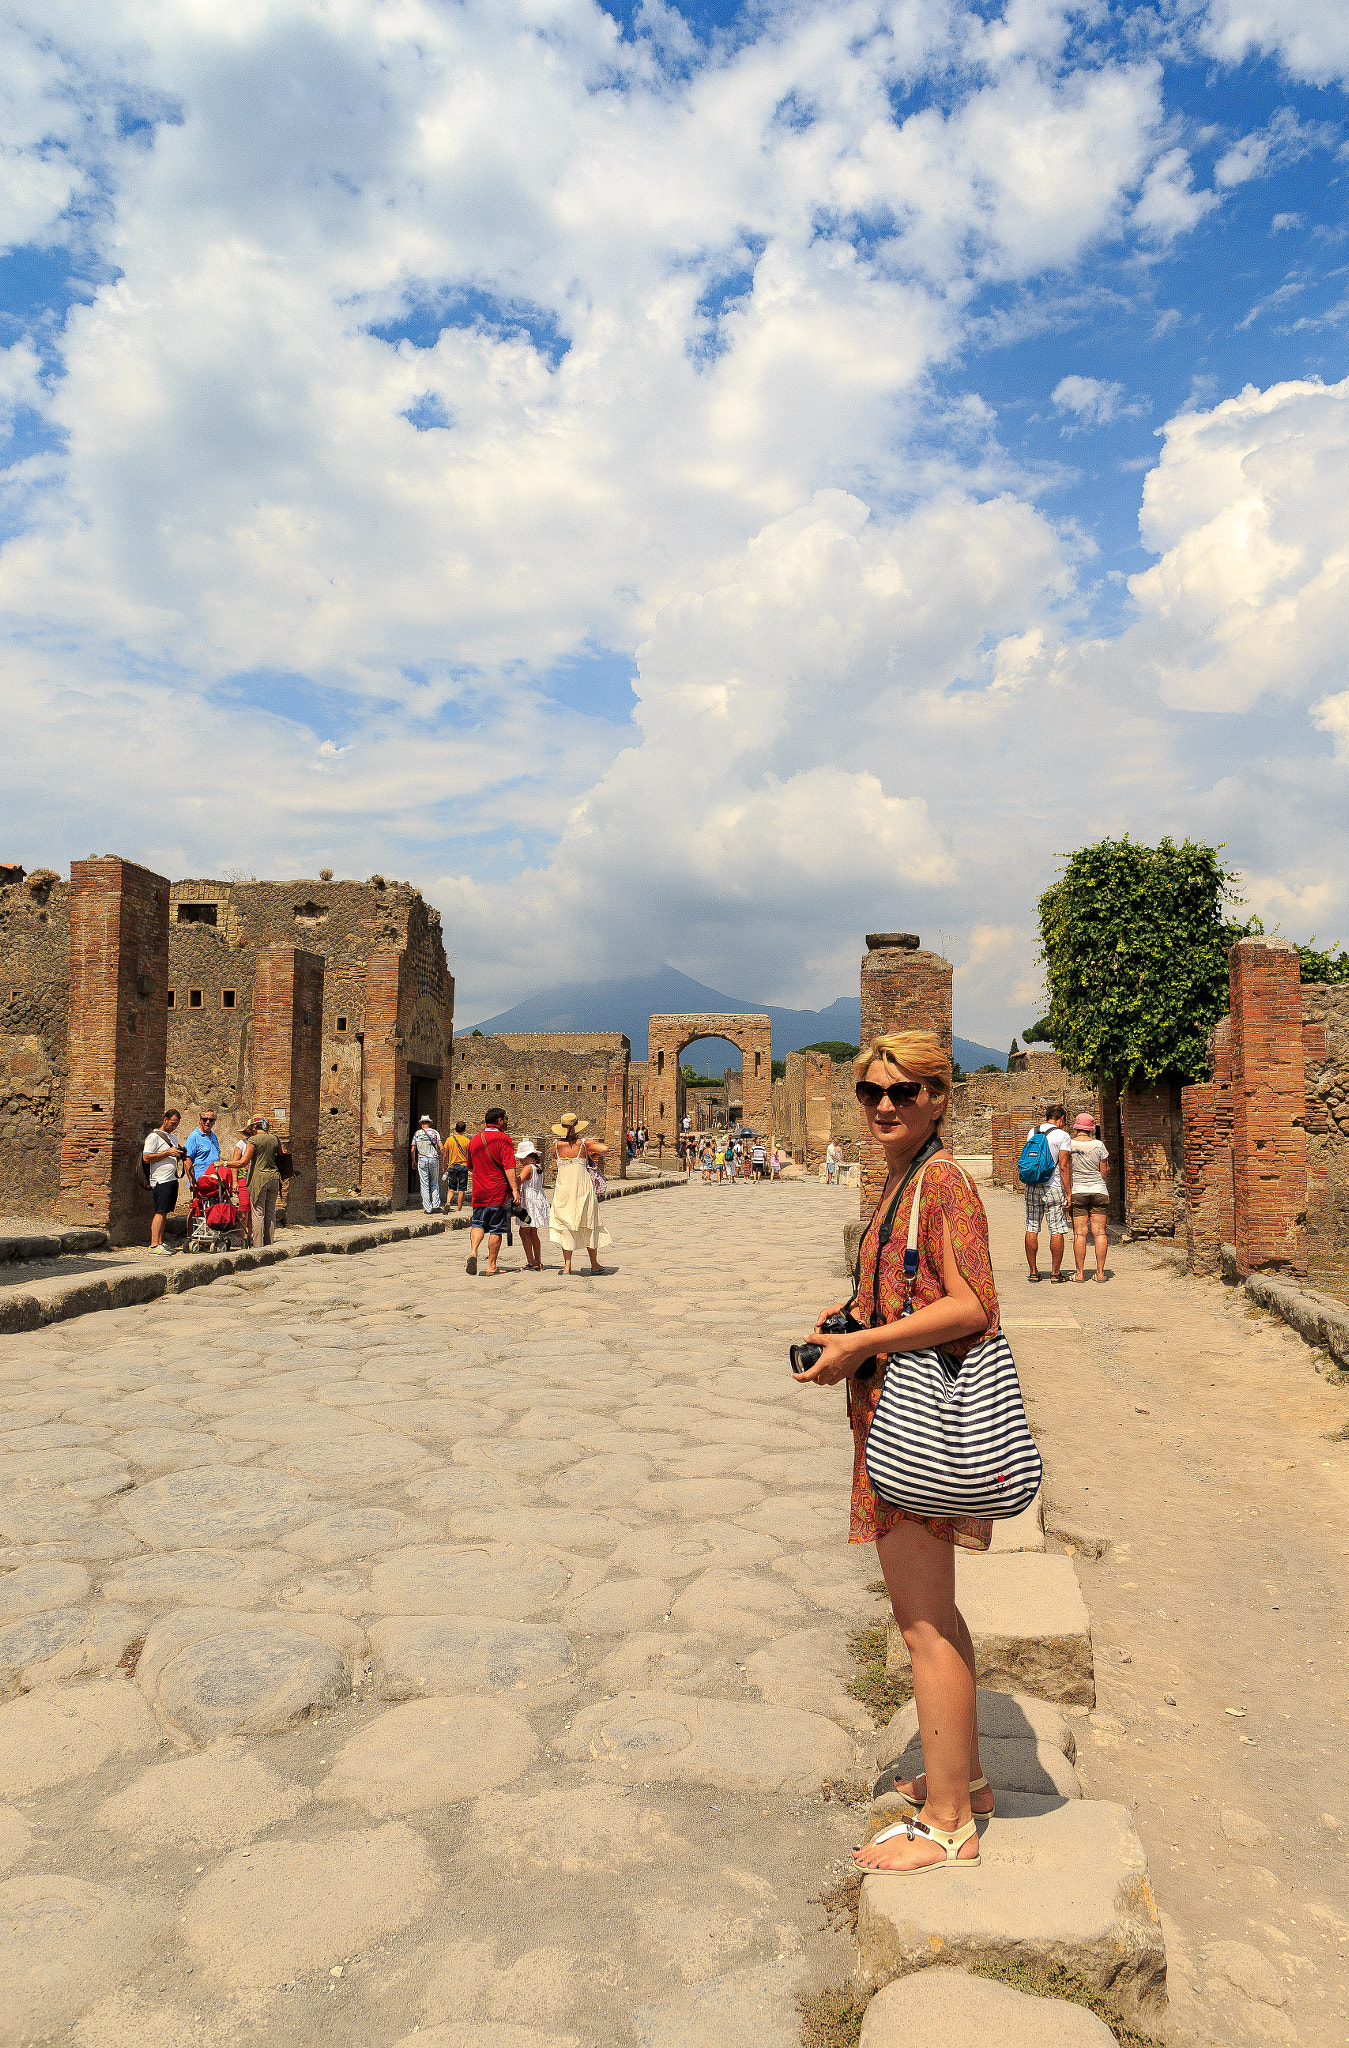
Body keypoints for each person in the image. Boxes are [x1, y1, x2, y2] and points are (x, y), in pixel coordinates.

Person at [794, 1030, 999, 1875]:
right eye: (871, 1092)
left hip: (917, 1428)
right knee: (934, 1615)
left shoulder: (942, 1182)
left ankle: (948, 1825)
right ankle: (968, 1779)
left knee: (921, 1625)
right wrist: (847, 1327)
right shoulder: (905, 1178)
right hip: (890, 1413)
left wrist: (866, 1340)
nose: (885, 1105)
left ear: (938, 1097)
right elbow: (910, 1291)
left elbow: (971, 1307)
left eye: (903, 1091)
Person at [548, 1111, 611, 1275]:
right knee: (589, 1224)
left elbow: (557, 1162)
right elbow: (605, 1148)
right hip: (583, 1190)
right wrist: (591, 1153)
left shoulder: (556, 1146)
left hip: (563, 1191)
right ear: (576, 1127)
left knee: (565, 1226)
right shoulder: (583, 1144)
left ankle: (567, 1266)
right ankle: (594, 1264)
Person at [466, 1108, 519, 1276]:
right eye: (506, 1119)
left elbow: (470, 1166)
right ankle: (491, 1266)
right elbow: (509, 1167)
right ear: (500, 1121)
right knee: (496, 1229)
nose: (507, 1122)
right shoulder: (503, 1139)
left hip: (479, 1191)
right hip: (498, 1192)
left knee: (477, 1223)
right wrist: (515, 1190)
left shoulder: (474, 1140)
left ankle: (474, 1250)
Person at [1023, 1103, 1072, 1282]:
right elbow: (1064, 1166)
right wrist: (1068, 1193)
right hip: (1053, 1187)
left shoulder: (1032, 1132)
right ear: (1062, 1119)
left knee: (1031, 1227)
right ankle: (1055, 1273)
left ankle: (1033, 1272)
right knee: (1056, 1229)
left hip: (1032, 1185)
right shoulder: (1063, 1135)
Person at [1069, 1113, 1110, 1283]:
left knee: (1080, 1234)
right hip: (1099, 1191)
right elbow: (1104, 1171)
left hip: (1078, 1191)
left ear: (1076, 1127)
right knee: (1100, 1233)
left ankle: (1079, 1273)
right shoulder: (1099, 1145)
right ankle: (1100, 1273)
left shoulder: (1069, 1144)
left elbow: (1064, 1167)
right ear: (1091, 1129)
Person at [234, 1116, 283, 1247]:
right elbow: (282, 1157)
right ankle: (269, 1244)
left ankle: (258, 1246)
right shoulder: (275, 1139)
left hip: (259, 1180)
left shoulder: (253, 1140)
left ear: (255, 1127)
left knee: (258, 1213)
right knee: (270, 1213)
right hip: (274, 1178)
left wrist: (224, 1163)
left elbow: (243, 1162)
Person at [143, 1110, 186, 1253]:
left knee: (165, 1211)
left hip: (171, 1178)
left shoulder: (173, 1138)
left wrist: (179, 1155)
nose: (174, 1126)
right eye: (173, 1123)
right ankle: (154, 1244)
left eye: (177, 1124)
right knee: (160, 1211)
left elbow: (172, 1156)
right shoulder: (153, 1137)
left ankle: (160, 1243)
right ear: (165, 1120)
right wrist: (168, 1153)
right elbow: (146, 1157)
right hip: (160, 1179)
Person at [515, 1136, 550, 1271]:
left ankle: (531, 1260)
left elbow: (519, 1181)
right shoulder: (538, 1167)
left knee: (524, 1232)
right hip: (538, 1199)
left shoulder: (528, 1168)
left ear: (524, 1157)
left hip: (528, 1202)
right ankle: (538, 1261)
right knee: (533, 1232)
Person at [410, 1114, 444, 1213]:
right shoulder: (435, 1133)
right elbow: (441, 1148)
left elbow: (413, 1150)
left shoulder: (417, 1134)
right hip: (433, 1159)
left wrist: (413, 1161)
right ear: (429, 1123)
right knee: (434, 1182)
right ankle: (436, 1205)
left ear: (421, 1123)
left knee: (424, 1184)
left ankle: (428, 1208)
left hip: (422, 1159)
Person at [183, 1109, 220, 1189]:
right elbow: (187, 1159)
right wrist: (192, 1180)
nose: (208, 1122)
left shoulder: (214, 1137)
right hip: (199, 1181)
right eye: (205, 1119)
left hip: (213, 1180)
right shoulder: (194, 1137)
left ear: (214, 1122)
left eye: (211, 1120)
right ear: (200, 1120)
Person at [443, 1122, 470, 1211]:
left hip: (452, 1166)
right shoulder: (467, 1141)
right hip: (463, 1166)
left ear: (455, 1129)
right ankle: (459, 1208)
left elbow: (445, 1155)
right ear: (464, 1130)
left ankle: (448, 1202)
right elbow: (470, 1155)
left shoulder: (449, 1140)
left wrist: (444, 1166)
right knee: (462, 1189)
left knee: (451, 1188)